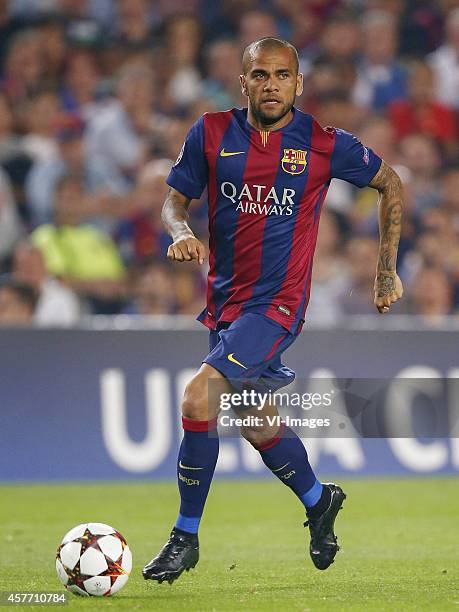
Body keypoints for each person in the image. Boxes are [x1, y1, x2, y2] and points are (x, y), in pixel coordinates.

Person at [142, 37, 404, 584]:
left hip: (278, 305)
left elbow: (390, 183)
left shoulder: (323, 143)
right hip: (225, 306)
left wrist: (385, 270)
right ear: (243, 82)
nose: (271, 85)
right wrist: (181, 231)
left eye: (282, 75)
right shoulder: (211, 132)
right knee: (254, 420)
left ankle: (184, 537)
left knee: (198, 396)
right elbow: (173, 200)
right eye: (260, 75)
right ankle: (318, 500)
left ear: (298, 83)